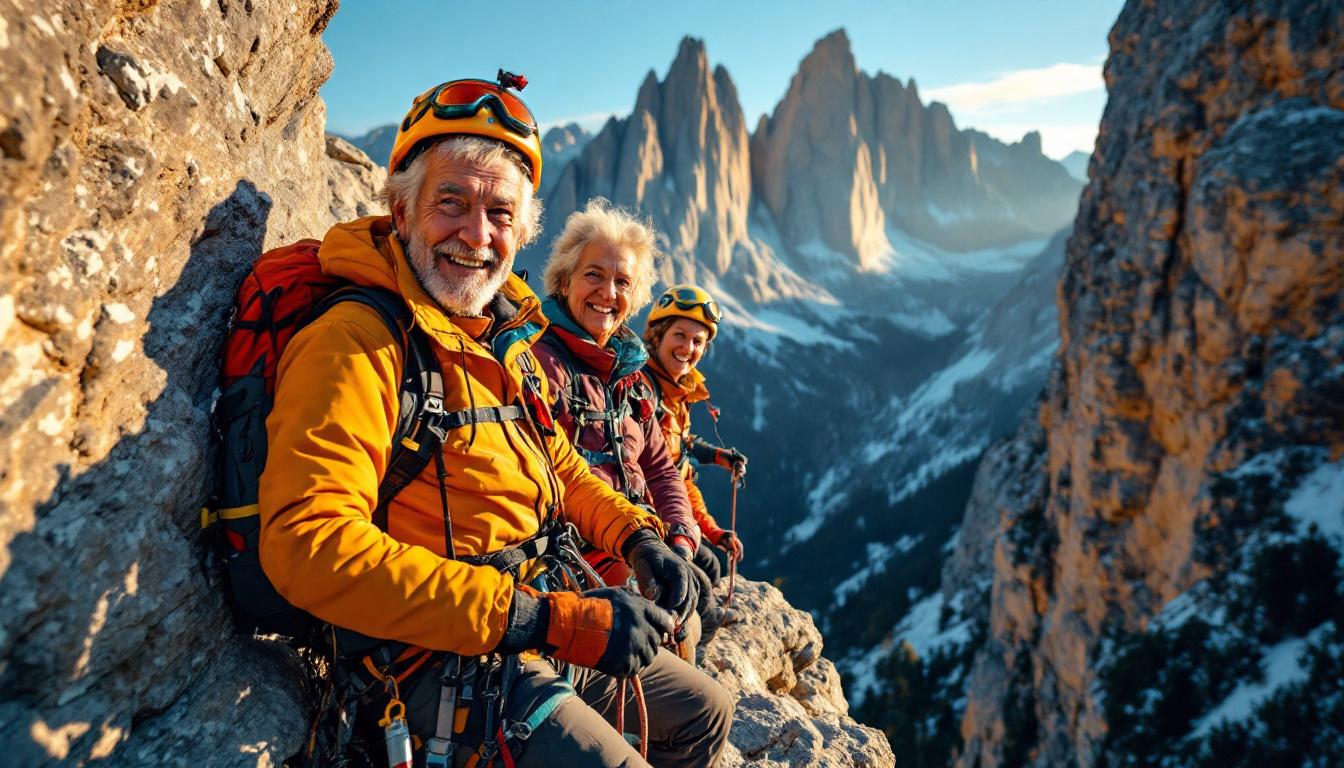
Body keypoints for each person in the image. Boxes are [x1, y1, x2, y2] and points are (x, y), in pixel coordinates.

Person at [257, 74, 731, 768]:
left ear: (523, 230)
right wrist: (545, 619)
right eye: (451, 203)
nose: (477, 236)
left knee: (705, 712)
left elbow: (557, 463)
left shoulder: (497, 334)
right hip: (440, 657)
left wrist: (635, 536)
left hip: (543, 617)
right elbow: (308, 545)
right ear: (401, 207)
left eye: (501, 214)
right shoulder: (357, 339)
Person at [532, 200, 723, 656]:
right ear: (563, 281)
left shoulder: (632, 379)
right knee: (684, 625)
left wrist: (680, 534)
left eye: (623, 282)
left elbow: (661, 468)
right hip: (578, 553)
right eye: (593, 275)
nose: (608, 292)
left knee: (694, 603)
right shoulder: (541, 361)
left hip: (636, 539)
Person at [641, 285, 747, 620]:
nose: (688, 348)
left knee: (710, 566)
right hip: (647, 517)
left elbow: (681, 452)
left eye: (698, 341)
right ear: (657, 336)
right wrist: (709, 531)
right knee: (705, 572)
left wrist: (718, 457)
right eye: (680, 335)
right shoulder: (645, 394)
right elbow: (668, 478)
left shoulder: (672, 394)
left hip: (666, 511)